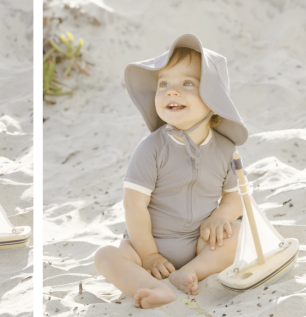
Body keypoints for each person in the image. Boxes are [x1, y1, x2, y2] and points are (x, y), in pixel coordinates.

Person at [94, 33, 249, 309]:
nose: (171, 91)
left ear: (214, 99)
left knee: (239, 232)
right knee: (106, 255)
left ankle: (192, 272)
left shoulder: (225, 149)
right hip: (147, 246)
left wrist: (220, 217)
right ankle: (152, 286)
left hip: (201, 243)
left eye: (187, 83)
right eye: (163, 83)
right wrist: (150, 254)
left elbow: (235, 196)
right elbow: (134, 206)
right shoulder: (152, 148)